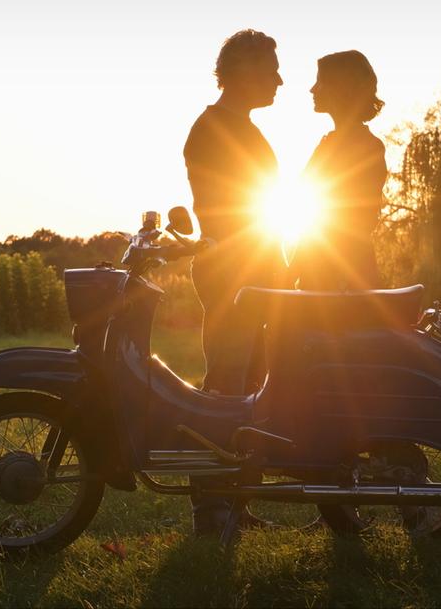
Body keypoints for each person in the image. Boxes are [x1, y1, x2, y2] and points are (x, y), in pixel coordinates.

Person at [182, 28, 285, 535]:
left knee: (251, 388)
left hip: (255, 274)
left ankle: (236, 501)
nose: (280, 81)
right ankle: (211, 509)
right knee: (226, 389)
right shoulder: (215, 129)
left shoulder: (241, 126)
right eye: (271, 70)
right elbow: (226, 215)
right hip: (233, 276)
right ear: (242, 71)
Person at [292, 50, 388, 291]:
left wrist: (289, 273)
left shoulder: (363, 146)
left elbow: (344, 223)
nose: (312, 89)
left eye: (320, 81)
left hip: (339, 278)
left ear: (340, 88)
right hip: (326, 271)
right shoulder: (332, 143)